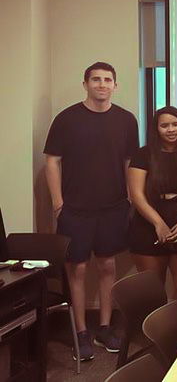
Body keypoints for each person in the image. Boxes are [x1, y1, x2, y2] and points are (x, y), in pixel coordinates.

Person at [44, 62, 139, 361]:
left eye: (107, 79)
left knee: (108, 265)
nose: (101, 84)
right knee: (78, 268)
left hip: (112, 207)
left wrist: (129, 197)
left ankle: (105, 327)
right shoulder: (66, 119)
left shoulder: (126, 120)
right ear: (85, 84)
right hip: (75, 208)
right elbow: (52, 161)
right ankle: (81, 332)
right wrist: (58, 203)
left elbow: (129, 163)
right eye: (95, 79)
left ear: (115, 85)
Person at [127, 106, 177, 314]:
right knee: (152, 291)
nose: (171, 129)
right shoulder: (143, 155)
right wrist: (158, 224)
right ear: (156, 129)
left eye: (176, 124)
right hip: (147, 227)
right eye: (165, 125)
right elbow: (136, 195)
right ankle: (153, 340)